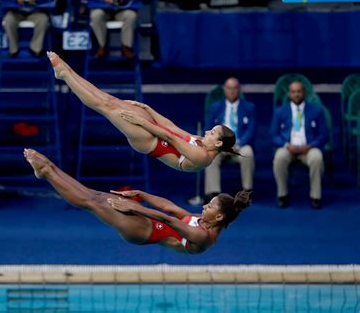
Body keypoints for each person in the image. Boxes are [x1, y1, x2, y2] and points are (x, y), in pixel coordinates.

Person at [24, 148, 251, 254]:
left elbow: (168, 220)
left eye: (209, 206)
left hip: (144, 232)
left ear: (219, 216)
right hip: (149, 223)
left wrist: (133, 207)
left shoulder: (203, 236)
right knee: (96, 195)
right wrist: (141, 194)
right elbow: (169, 207)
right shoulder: (204, 221)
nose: (204, 206)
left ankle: (47, 171)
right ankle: (48, 170)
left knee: (91, 202)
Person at [46, 51, 237, 172]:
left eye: (211, 133)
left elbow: (171, 139)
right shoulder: (201, 142)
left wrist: (143, 122)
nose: (206, 132)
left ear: (218, 143)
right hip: (154, 130)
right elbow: (172, 128)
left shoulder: (202, 158)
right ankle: (67, 72)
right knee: (109, 100)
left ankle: (65, 75)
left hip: (149, 142)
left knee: (105, 107)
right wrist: (148, 109)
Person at [270, 81, 328, 209]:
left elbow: (323, 134)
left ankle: (315, 196)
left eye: (299, 91)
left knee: (317, 158)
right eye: (293, 92)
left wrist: (311, 145)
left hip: (308, 148)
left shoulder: (316, 110)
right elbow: (273, 135)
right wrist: (286, 145)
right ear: (289, 94)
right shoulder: (280, 111)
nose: (296, 94)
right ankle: (282, 194)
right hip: (288, 148)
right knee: (279, 158)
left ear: (304, 93)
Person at [204, 77, 256, 201]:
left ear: (239, 89)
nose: (232, 91)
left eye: (235, 88)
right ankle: (213, 193)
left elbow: (251, 130)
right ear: (224, 90)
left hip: (240, 145)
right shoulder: (215, 107)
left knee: (248, 153)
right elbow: (208, 127)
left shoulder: (249, 107)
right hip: (219, 146)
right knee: (209, 156)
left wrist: (238, 144)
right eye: (229, 88)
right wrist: (220, 145)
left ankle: (246, 192)